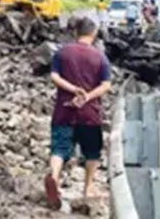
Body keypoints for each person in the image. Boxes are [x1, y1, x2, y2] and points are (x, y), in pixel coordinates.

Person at [45, 17, 113, 210]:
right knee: (92, 152)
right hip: (89, 114)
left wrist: (74, 89)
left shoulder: (62, 53)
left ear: (76, 33)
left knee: (59, 148)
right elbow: (106, 85)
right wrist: (88, 96)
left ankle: (54, 177)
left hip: (64, 110)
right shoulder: (100, 57)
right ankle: (88, 187)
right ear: (94, 34)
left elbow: (54, 76)